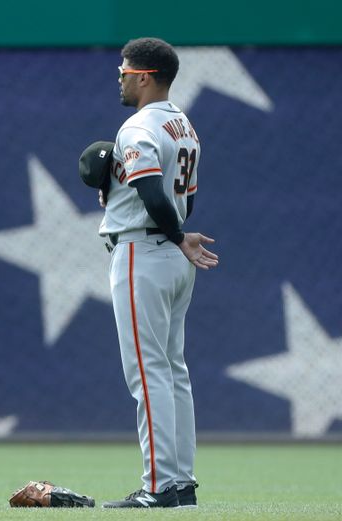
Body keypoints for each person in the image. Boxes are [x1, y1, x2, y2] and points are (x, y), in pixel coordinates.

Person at [97, 37, 219, 508]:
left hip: (143, 253)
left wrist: (175, 235)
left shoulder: (138, 125)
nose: (121, 78)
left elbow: (151, 190)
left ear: (144, 75)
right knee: (172, 371)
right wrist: (176, 232)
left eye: (125, 71)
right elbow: (181, 194)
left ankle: (157, 487)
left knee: (147, 374)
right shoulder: (182, 124)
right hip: (171, 257)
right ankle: (181, 481)